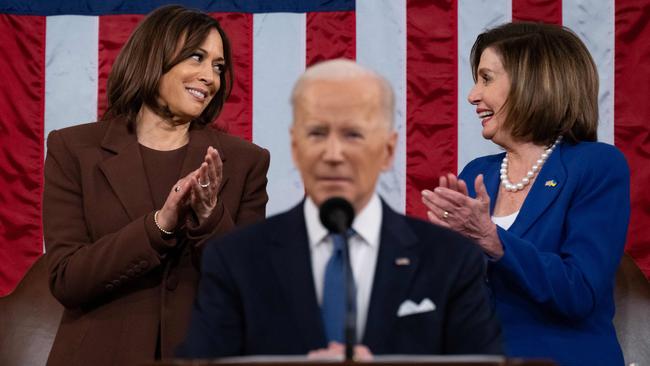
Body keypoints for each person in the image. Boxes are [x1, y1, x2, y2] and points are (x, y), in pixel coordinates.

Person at [177, 59, 502, 359]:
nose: (334, 153)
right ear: (295, 147)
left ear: (387, 150)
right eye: (317, 133)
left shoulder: (450, 260)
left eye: (353, 134)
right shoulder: (237, 259)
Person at [42, 5, 269, 366]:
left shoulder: (245, 161)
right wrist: (158, 226)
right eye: (197, 57)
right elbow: (67, 279)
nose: (210, 77)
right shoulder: (74, 150)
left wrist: (209, 217)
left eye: (218, 66)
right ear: (153, 56)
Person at [421, 22, 630, 365]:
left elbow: (579, 292)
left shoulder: (597, 166)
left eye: (486, 79)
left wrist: (495, 242)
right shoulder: (477, 173)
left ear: (532, 83)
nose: (472, 95)